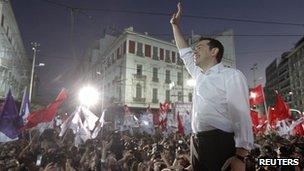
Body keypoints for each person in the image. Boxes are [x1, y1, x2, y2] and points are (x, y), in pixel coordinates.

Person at [170, 3, 254, 171]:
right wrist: (175, 25)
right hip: (197, 141)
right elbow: (184, 52)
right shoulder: (199, 74)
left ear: (214, 51)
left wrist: (240, 155)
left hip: (220, 142)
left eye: (199, 47)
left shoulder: (231, 75)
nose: (195, 51)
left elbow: (241, 113)